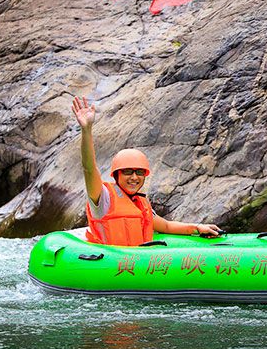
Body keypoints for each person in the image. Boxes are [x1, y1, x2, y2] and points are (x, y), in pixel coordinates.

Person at [71, 96, 221, 246]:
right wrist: (86, 130)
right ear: (117, 175)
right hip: (109, 264)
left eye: (139, 172)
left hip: (138, 265)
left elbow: (167, 226)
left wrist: (197, 227)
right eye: (128, 172)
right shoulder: (103, 197)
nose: (134, 177)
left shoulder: (141, 203)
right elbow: (89, 168)